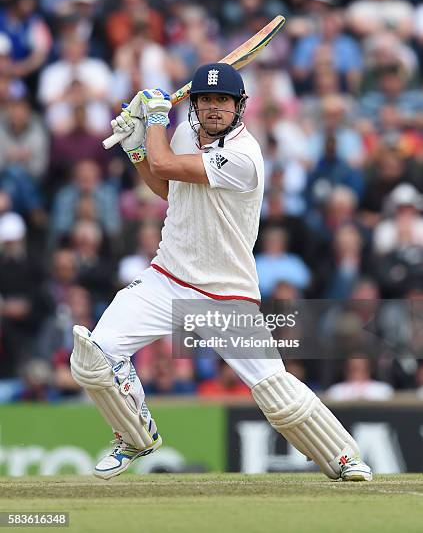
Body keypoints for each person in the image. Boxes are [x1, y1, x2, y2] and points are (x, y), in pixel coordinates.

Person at [69, 62, 372, 482]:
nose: (214, 108)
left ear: (239, 107)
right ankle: (134, 437)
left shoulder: (245, 157)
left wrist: (152, 122)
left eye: (223, 101)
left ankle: (343, 457)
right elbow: (166, 183)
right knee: (93, 358)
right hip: (165, 277)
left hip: (226, 293)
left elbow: (167, 165)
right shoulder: (182, 135)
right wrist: (138, 147)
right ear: (195, 104)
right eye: (206, 100)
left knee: (276, 394)